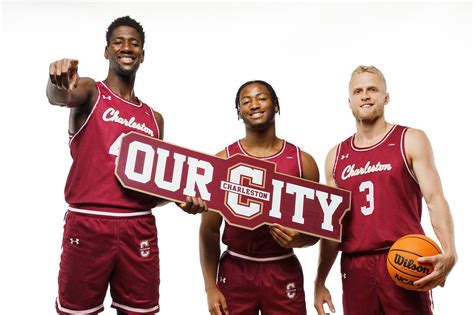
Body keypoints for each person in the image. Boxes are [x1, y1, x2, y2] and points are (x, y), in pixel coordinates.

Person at [47, 16, 206, 315]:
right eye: (118, 41)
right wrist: (56, 83)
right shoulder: (90, 92)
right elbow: (60, 96)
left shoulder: (153, 118)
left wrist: (177, 199)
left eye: (134, 42)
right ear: (106, 51)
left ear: (143, 53)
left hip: (139, 226)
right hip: (89, 221)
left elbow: (152, 187)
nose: (126, 47)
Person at [313, 65, 457, 315]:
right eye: (358, 91)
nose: (365, 96)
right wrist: (320, 280)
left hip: (404, 258)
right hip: (355, 266)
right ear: (349, 101)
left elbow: (435, 199)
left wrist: (450, 251)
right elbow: (332, 228)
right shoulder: (335, 156)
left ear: (386, 97)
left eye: (372, 90)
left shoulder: (410, 139)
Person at [199, 80, 320, 315]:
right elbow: (209, 230)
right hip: (236, 269)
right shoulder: (223, 161)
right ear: (238, 113)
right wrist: (210, 288)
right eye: (246, 101)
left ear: (277, 106)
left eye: (262, 98)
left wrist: (300, 239)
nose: (254, 105)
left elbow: (317, 231)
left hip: (282, 267)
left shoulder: (302, 161)